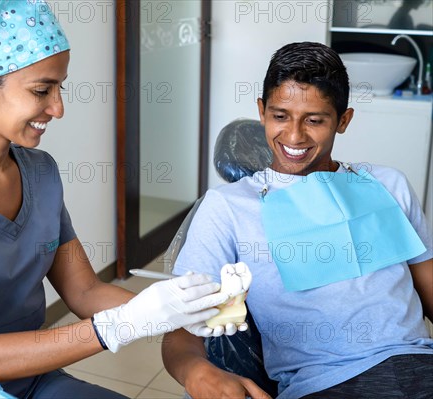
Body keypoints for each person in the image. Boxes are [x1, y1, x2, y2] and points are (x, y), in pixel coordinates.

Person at [0, 1, 234, 398]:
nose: (58, 108)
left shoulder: (39, 171)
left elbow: (85, 292)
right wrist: (127, 323)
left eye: (60, 87)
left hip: (27, 377)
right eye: (42, 90)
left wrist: (183, 309)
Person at [161, 42, 433, 399]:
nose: (293, 136)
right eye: (280, 116)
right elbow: (181, 329)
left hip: (421, 366)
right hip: (328, 384)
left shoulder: (388, 184)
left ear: (344, 120)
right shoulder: (227, 207)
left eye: (314, 120)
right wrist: (195, 370)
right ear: (261, 111)